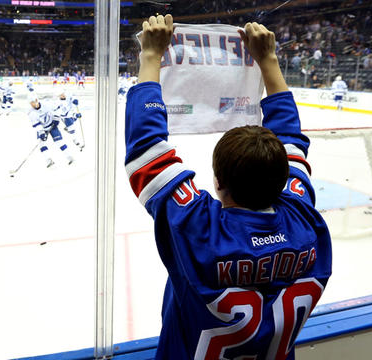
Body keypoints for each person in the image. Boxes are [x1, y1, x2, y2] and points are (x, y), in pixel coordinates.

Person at [125, 16, 332, 359]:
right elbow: (293, 141)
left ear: (217, 183)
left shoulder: (201, 232)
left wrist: (149, 57)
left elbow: (147, 152)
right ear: (285, 180)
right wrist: (269, 60)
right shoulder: (304, 222)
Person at [28, 93, 73, 167]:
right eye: (31, 103)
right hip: (43, 129)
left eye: (33, 101)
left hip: (52, 125)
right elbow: (37, 124)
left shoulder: (46, 104)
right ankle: (48, 160)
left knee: (59, 142)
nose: (32, 104)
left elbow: (57, 109)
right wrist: (42, 133)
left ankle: (69, 157)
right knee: (41, 145)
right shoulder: (31, 113)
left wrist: (56, 118)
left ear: (37, 100)